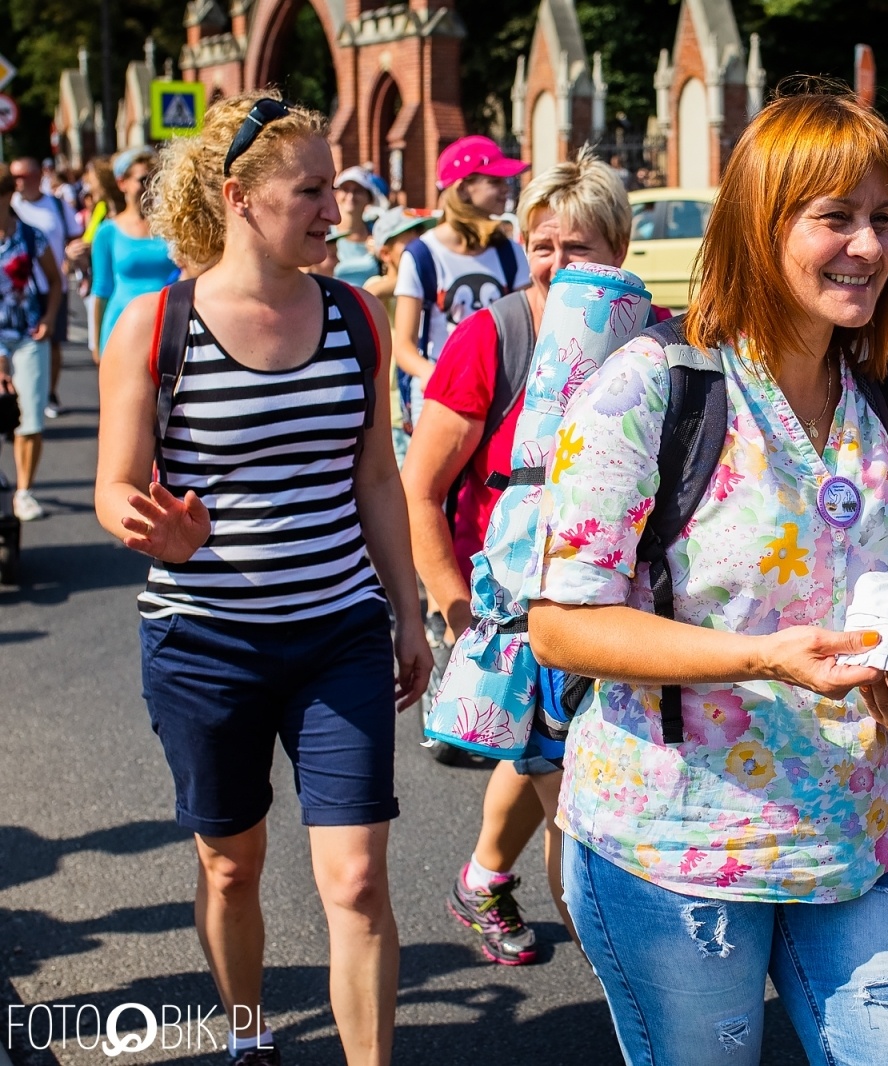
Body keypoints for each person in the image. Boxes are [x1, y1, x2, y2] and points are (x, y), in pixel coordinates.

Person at [522, 88, 888, 1065]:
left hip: (857, 825)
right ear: (761, 226)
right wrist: (765, 658)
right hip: (678, 842)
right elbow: (561, 628)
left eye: (884, 218)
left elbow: (884, 568)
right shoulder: (651, 386)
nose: (870, 246)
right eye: (835, 218)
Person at [93, 91, 432, 1066]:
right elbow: (114, 489)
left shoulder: (354, 315)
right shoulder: (157, 325)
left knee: (359, 879)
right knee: (230, 864)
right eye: (313, 190)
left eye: (335, 188)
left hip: (338, 632)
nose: (338, 208)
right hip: (204, 640)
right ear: (240, 197)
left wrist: (407, 612)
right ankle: (247, 1025)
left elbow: (375, 475)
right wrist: (150, 528)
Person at [403, 146, 665, 965]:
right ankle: (623, 974)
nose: (557, 265)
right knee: (577, 801)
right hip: (514, 609)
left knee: (546, 755)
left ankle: (484, 880)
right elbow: (420, 490)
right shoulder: (492, 336)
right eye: (542, 245)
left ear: (617, 252)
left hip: (617, 605)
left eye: (578, 247)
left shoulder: (648, 340)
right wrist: (453, 615)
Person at [391, 135, 529, 450]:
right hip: (442, 395)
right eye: (496, 180)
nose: (507, 188)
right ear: (464, 188)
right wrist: (436, 376)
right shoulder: (422, 254)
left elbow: (527, 325)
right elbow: (404, 346)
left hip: (500, 390)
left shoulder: (510, 253)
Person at [0, 172, 63, 523]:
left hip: (27, 334)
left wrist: (50, 318)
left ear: (8, 196)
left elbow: (55, 282)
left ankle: (24, 491)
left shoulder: (29, 236)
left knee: (30, 417)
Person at [10, 157, 85, 419]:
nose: (19, 182)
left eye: (23, 176)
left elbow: (75, 235)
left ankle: (49, 393)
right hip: (20, 291)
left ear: (36, 176)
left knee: (52, 342)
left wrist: (73, 255)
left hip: (54, 284)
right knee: (17, 343)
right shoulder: (10, 205)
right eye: (14, 177)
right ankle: (15, 397)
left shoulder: (55, 203)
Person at [365, 206, 438, 468]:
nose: (420, 242)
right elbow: (370, 292)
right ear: (385, 253)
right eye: (410, 238)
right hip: (395, 412)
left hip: (424, 402)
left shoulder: (429, 286)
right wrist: (412, 277)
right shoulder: (378, 285)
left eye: (422, 233)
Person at [89, 149, 177, 360]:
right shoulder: (108, 232)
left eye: (154, 179)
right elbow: (102, 289)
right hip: (122, 326)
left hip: (167, 325)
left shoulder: (171, 227)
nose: (149, 186)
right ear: (123, 184)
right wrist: (98, 344)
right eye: (143, 179)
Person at [328, 165, 387, 287]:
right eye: (345, 190)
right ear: (336, 195)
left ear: (369, 198)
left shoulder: (379, 232)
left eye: (358, 191)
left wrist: (381, 255)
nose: (351, 196)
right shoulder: (325, 232)